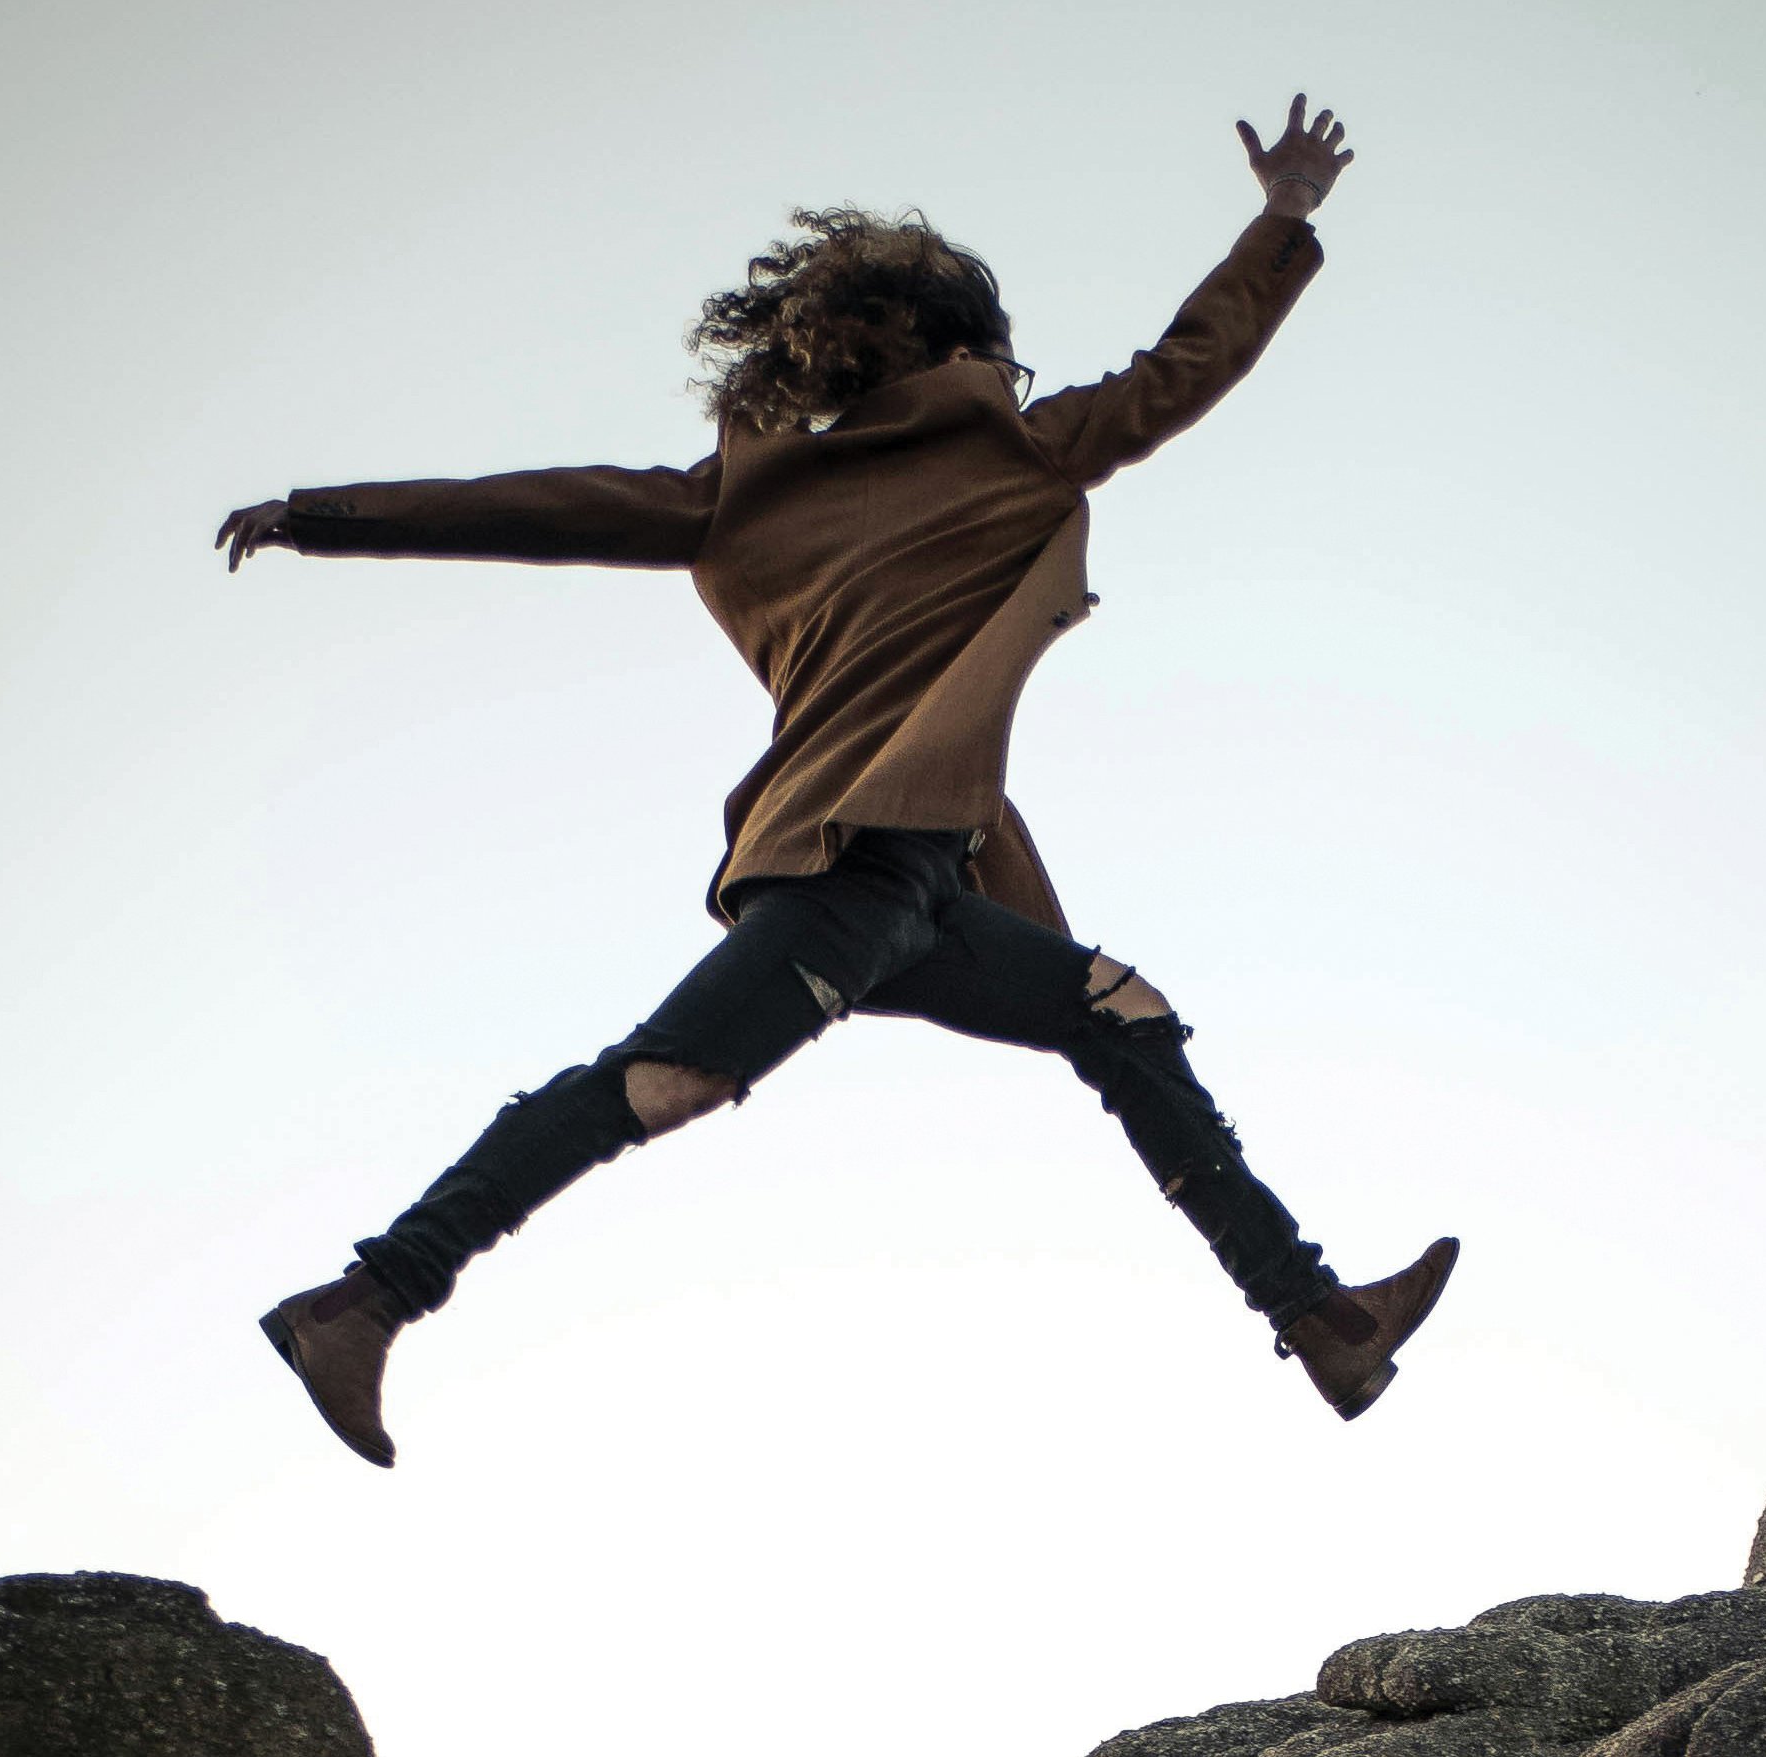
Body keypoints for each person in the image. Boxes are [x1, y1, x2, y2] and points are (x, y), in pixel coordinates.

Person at [216, 95, 1454, 1468]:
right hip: (845, 867)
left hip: (927, 879)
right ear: (960, 347)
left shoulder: (750, 490)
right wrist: (1280, 221)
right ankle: (369, 1297)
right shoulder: (1002, 448)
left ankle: (1321, 1318)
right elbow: (1184, 368)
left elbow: (535, 502)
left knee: (1120, 1013)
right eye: (998, 346)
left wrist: (324, 517)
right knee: (664, 1079)